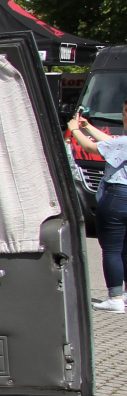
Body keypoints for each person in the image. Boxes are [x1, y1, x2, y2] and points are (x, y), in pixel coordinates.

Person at [70, 106, 127, 312]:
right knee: (126, 249)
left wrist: (75, 129)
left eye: (123, 112)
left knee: (112, 249)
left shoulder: (124, 142)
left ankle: (115, 297)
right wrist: (88, 127)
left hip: (118, 196)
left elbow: (93, 148)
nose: (121, 116)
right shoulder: (122, 142)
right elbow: (111, 144)